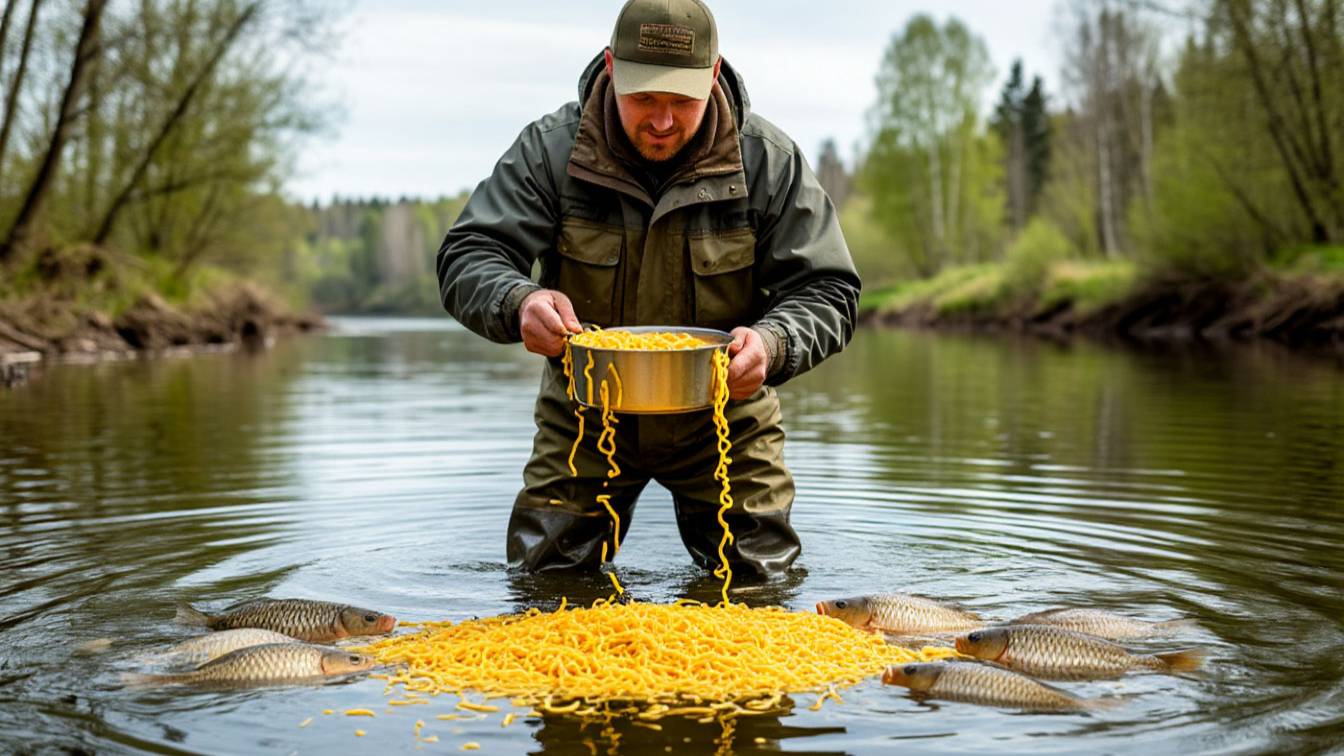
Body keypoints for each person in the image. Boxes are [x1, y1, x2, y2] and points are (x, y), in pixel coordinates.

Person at [436, 0, 860, 579]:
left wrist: (774, 342)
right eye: (644, 99)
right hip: (587, 410)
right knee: (546, 588)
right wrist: (520, 302)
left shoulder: (769, 162)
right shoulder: (550, 150)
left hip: (726, 413)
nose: (662, 121)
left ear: (714, 76)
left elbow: (828, 288)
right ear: (611, 69)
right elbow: (469, 253)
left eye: (681, 102)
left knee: (760, 592)